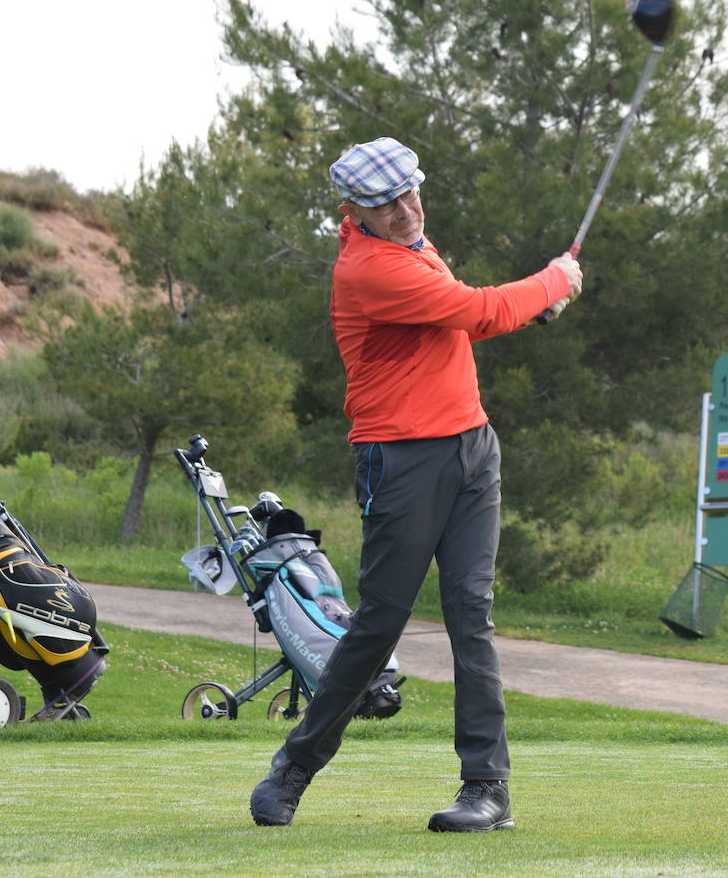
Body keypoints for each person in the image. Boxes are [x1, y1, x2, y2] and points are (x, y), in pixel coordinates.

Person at [249, 136, 582, 832]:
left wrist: (533, 303)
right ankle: (294, 768)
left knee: (471, 614)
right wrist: (552, 282)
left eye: (411, 193)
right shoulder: (368, 269)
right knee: (380, 624)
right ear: (355, 211)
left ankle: (487, 790)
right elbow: (480, 310)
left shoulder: (414, 246)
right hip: (401, 461)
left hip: (472, 449)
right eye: (387, 203)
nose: (406, 209)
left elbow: (456, 320)